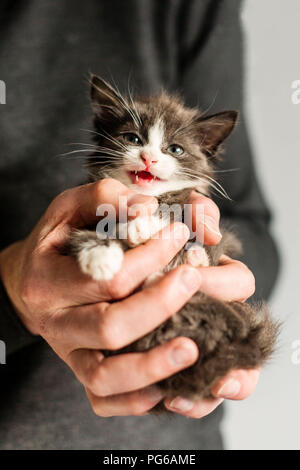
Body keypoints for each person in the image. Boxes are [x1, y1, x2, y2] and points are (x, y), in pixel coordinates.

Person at [0, 0, 279, 449]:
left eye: (174, 149)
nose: (150, 156)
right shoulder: (99, 209)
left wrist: (216, 276)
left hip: (169, 443)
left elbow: (254, 228)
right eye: (132, 138)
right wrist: (11, 291)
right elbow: (92, 245)